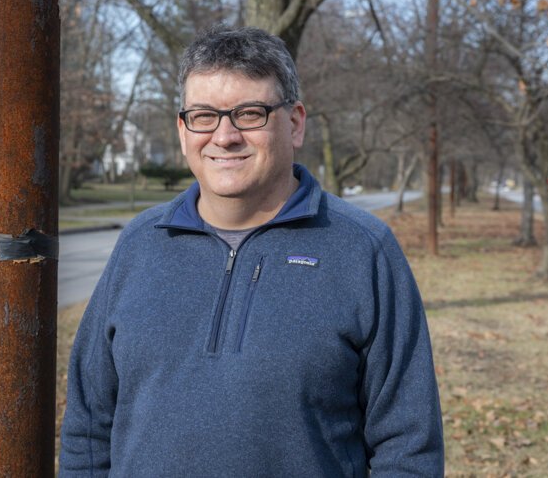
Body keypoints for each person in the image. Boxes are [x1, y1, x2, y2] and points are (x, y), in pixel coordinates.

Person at [59, 25, 444, 477]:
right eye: (203, 116)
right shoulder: (141, 243)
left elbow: (408, 446)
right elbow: (88, 425)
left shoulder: (363, 250)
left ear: (295, 122)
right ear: (183, 130)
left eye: (249, 113)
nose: (224, 136)